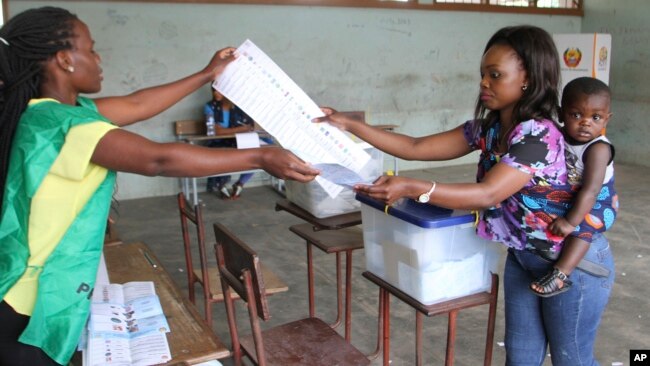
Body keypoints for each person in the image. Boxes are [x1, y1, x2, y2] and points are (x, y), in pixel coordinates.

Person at [0, 7, 318, 366]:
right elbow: (159, 159)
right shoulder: (66, 126)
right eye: (90, 49)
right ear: (64, 60)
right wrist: (259, 157)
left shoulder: (47, 112)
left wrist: (206, 74)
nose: (99, 58)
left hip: (23, 286)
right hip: (30, 305)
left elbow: (137, 103)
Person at [315, 25, 614, 365]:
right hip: (523, 256)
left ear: (528, 78)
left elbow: (487, 194)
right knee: (520, 357)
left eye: (495, 75)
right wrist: (349, 124)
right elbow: (414, 147)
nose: (484, 83)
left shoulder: (538, 136)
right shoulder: (487, 129)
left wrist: (415, 187)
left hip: (574, 265)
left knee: (571, 358)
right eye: (483, 74)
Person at [530, 77, 618, 297]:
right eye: (576, 114)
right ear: (561, 114)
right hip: (575, 194)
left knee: (583, 227)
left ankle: (561, 274)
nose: (585, 122)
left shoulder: (598, 149)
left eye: (595, 117)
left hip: (600, 200)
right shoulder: (558, 135)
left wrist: (570, 222)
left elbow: (591, 191)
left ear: (606, 120)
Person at [203, 89, 261, 199]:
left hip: (237, 141)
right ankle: (221, 184)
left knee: (256, 152)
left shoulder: (239, 108)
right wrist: (240, 129)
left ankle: (240, 183)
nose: (215, 94)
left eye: (219, 91)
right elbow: (214, 131)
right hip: (217, 142)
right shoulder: (209, 107)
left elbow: (250, 127)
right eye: (213, 90)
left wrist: (235, 129)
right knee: (223, 152)